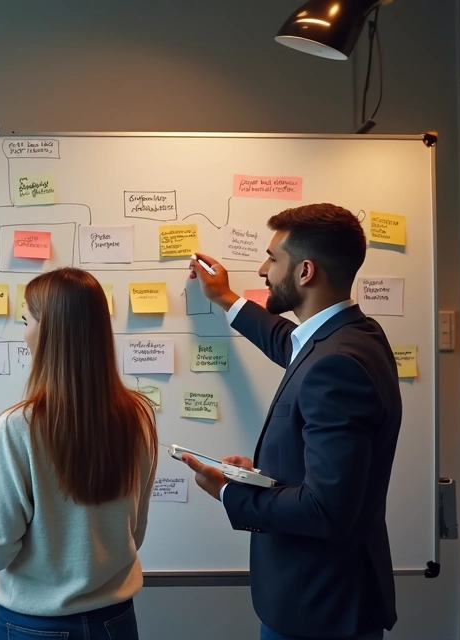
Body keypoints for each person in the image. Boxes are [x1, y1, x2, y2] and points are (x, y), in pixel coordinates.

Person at [183, 203, 402, 640]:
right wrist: (226, 299)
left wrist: (230, 493)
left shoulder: (335, 362)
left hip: (318, 609)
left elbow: (327, 510)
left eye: (272, 258)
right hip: (324, 600)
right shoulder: (353, 335)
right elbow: (290, 343)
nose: (263, 270)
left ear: (304, 272)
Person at [0, 267, 158, 640]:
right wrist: (5, 481)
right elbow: (130, 528)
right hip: (115, 621)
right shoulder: (139, 416)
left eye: (26, 321)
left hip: (36, 626)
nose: (24, 335)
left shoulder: (17, 426)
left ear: (50, 331)